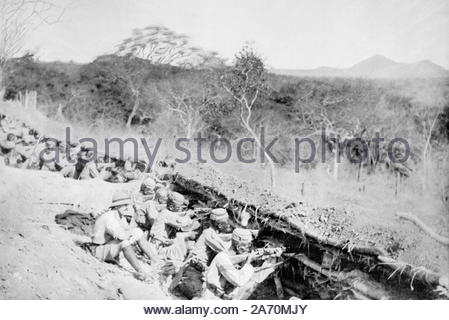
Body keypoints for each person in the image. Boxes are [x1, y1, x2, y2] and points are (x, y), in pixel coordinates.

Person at [91, 190, 157, 280]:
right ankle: (140, 271)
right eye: (124, 205)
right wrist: (130, 234)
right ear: (117, 206)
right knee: (124, 242)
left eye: (127, 205)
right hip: (97, 250)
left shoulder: (119, 216)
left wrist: (133, 233)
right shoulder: (109, 217)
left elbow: (127, 230)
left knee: (138, 232)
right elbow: (121, 236)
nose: (127, 207)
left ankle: (154, 259)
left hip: (107, 245)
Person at [172, 208, 234, 299]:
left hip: (198, 271)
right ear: (220, 225)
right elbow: (225, 252)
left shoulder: (211, 233)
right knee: (196, 297)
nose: (229, 225)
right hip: (193, 270)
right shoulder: (208, 234)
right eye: (227, 222)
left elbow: (222, 238)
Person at [204, 228, 255, 299]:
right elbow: (239, 280)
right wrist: (249, 263)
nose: (249, 248)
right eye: (247, 245)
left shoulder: (234, 257)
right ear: (239, 245)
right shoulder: (222, 258)